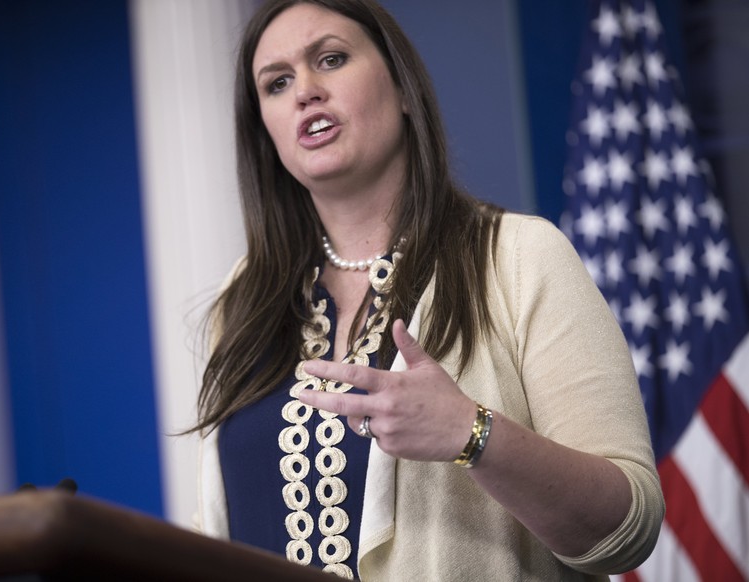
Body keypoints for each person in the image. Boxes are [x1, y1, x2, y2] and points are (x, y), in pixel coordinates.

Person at [192, 0, 664, 579]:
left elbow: (628, 528)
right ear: (264, 131)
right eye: (278, 82)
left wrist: (472, 433)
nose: (305, 91)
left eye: (331, 59)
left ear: (405, 89)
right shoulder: (241, 302)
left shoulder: (520, 257)